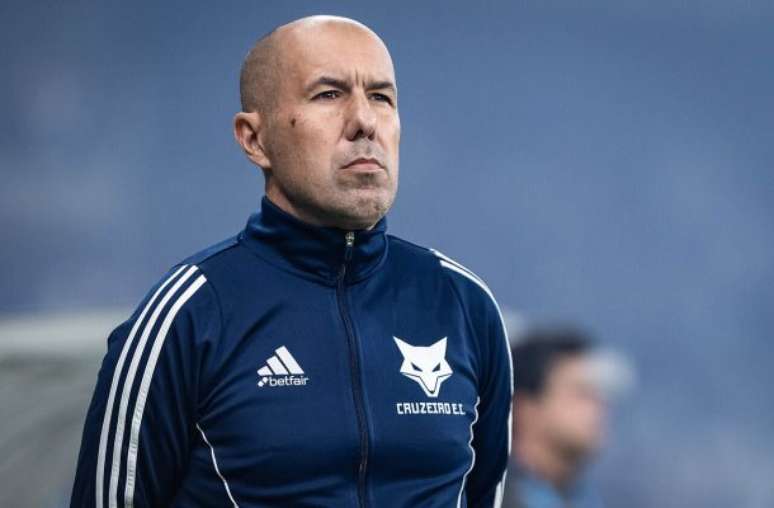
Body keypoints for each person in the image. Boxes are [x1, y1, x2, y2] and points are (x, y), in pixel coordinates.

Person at [70, 15, 513, 508]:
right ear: (254, 139)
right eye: (328, 94)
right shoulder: (186, 318)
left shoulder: (465, 306)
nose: (364, 121)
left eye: (381, 97)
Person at [502, 327, 607, 508]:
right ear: (526, 409)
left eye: (596, 394)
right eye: (580, 393)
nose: (598, 406)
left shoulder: (585, 498)